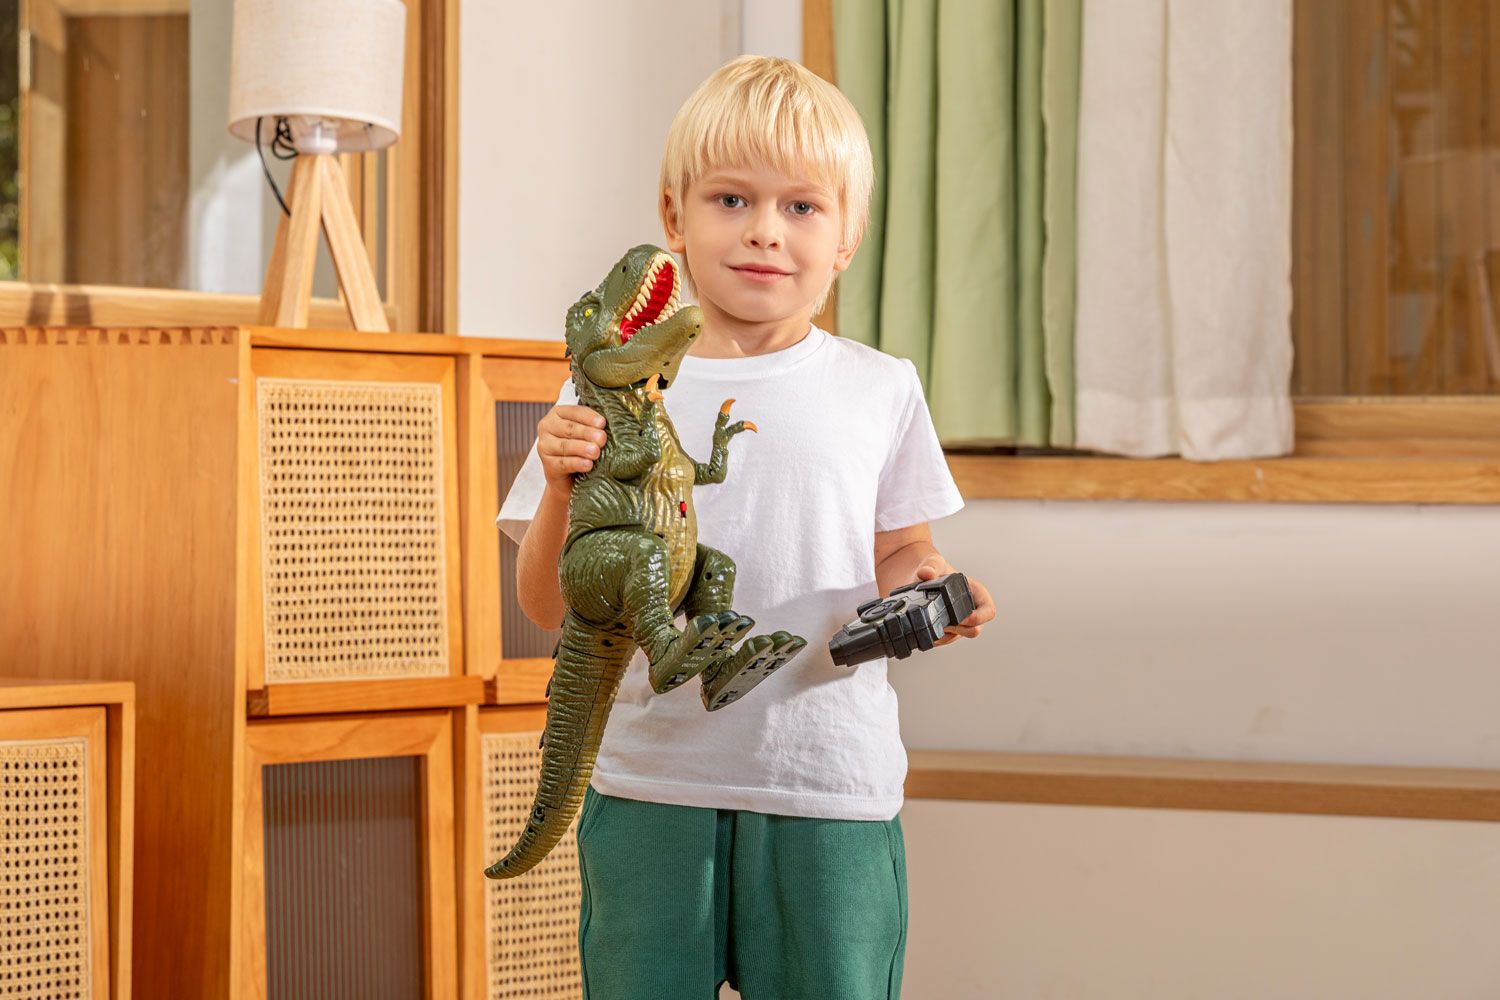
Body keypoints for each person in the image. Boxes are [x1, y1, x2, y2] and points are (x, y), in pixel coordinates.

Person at [495, 54, 996, 1000]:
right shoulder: (605, 388)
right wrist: (561, 482)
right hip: (650, 784)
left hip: (829, 784)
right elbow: (546, 609)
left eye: (803, 207)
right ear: (673, 212)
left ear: (847, 237)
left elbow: (902, 549)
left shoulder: (880, 387)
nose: (765, 231)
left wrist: (935, 585)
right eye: (731, 199)